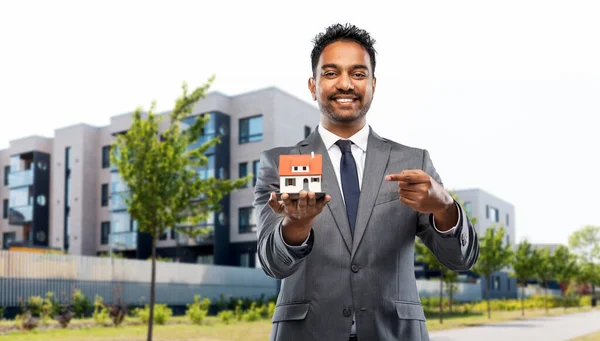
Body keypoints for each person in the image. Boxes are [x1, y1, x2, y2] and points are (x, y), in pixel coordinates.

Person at [253, 23, 479, 341]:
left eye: (358, 74)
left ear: (373, 84)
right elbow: (272, 263)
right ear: (312, 85)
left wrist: (444, 208)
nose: (345, 84)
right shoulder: (278, 164)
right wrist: (295, 228)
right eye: (331, 73)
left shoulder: (414, 162)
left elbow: (460, 258)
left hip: (395, 332)